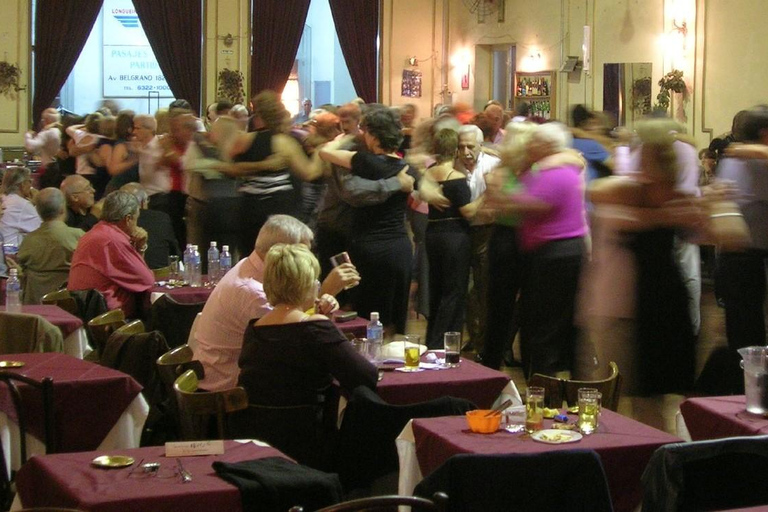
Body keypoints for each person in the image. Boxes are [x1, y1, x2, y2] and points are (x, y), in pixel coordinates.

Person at [236, 243, 377, 469]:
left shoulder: (254, 329)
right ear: (306, 285)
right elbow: (366, 376)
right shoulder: (315, 329)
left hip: (258, 441)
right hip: (310, 442)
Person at [193, 214, 360, 392]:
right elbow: (297, 341)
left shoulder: (248, 266)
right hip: (227, 394)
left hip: (225, 378)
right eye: (302, 252)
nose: (308, 258)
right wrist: (326, 291)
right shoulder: (255, 293)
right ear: (280, 252)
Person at [320, 106, 415, 334]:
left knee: (368, 321)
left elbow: (326, 153)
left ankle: (372, 366)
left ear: (372, 135)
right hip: (400, 249)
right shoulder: (407, 167)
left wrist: (349, 140)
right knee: (394, 322)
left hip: (369, 249)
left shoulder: (362, 162)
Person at [226, 90, 322, 257]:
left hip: (249, 208)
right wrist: (323, 151)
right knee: (281, 258)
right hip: (279, 208)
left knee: (251, 257)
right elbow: (309, 173)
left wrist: (258, 166)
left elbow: (228, 168)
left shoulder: (243, 140)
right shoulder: (283, 142)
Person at [423, 129, 482, 349]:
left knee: (436, 288)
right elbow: (468, 211)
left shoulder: (429, 173)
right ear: (455, 149)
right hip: (455, 237)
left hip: (433, 234)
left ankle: (432, 340)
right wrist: (488, 194)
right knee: (454, 291)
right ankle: (445, 342)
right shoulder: (456, 179)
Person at [68, 190, 155, 318]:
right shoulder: (113, 240)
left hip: (85, 312)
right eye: (137, 218)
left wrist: (140, 248)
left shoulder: (96, 232)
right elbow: (147, 280)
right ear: (128, 219)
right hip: (108, 320)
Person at [17, 188, 84, 304]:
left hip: (35, 306)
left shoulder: (28, 241)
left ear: (38, 211)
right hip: (71, 306)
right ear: (63, 209)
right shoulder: (79, 237)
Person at [120, 182, 179, 270]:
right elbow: (175, 252)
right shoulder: (162, 218)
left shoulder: (115, 222)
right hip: (163, 277)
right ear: (144, 202)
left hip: (129, 277)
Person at [0, 167, 41, 248]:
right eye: (30, 181)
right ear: (22, 184)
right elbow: (42, 229)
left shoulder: (4, 198)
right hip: (12, 252)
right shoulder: (21, 204)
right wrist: (38, 203)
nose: (31, 185)